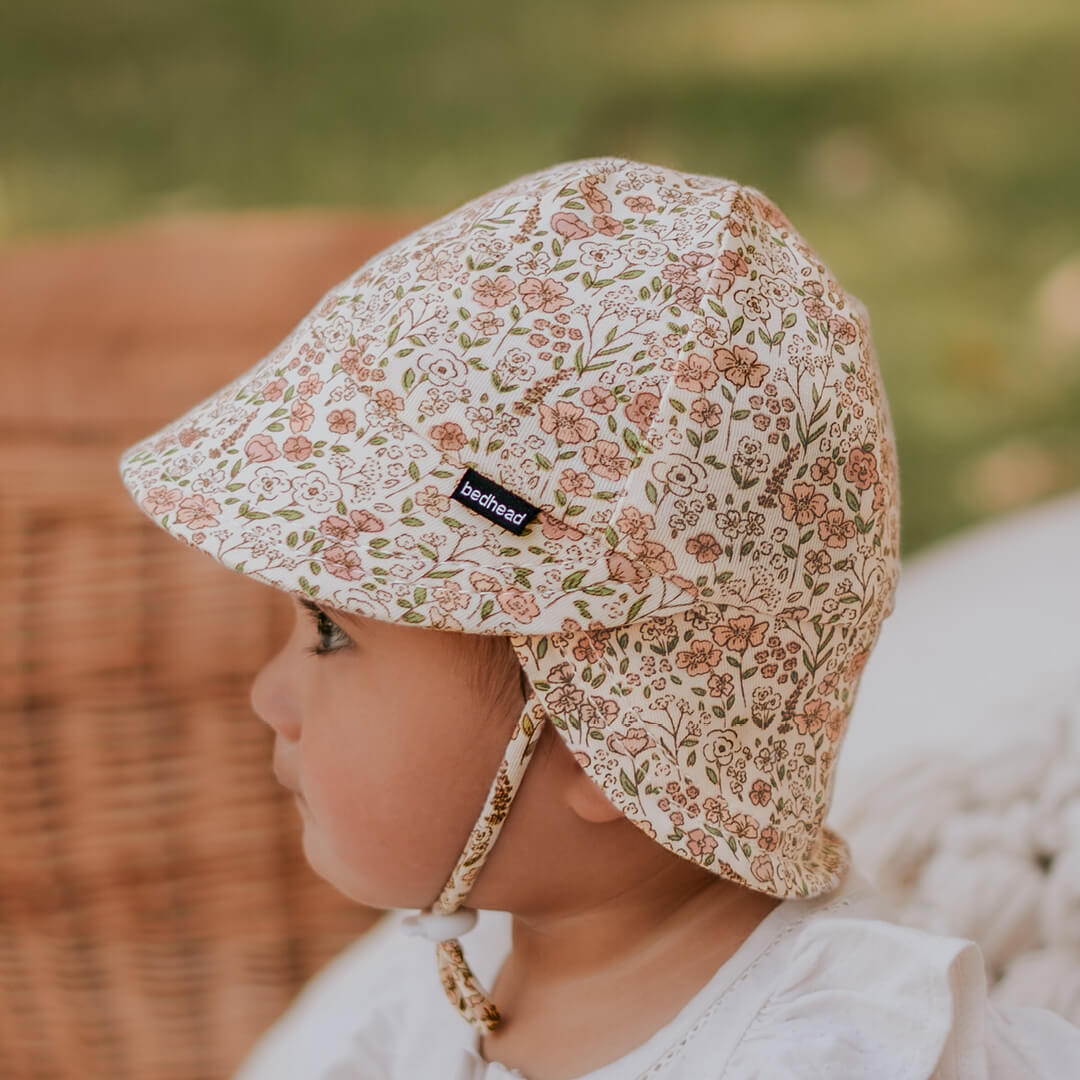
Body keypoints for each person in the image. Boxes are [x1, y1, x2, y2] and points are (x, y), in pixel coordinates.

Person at [117, 157, 1080, 1078]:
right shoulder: (428, 1004)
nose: (267, 692)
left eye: (333, 634)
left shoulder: (831, 1050)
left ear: (597, 737)